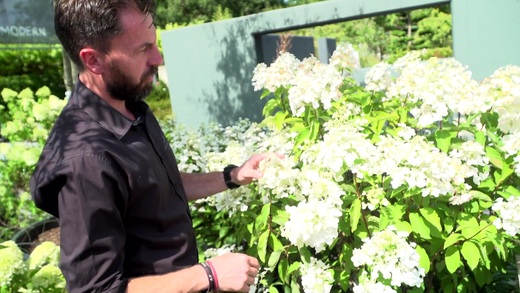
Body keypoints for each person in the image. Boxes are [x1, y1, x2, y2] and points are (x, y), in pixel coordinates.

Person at [30, 0, 275, 292]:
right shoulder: (86, 161)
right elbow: (96, 289)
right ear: (93, 60)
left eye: (154, 44)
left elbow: (160, 187)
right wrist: (208, 275)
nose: (158, 59)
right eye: (143, 49)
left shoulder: (131, 109)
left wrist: (232, 176)